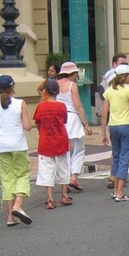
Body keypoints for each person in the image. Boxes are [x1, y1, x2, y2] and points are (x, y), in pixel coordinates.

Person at [0, 75, 33, 226]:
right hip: (18, 145)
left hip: (2, 147)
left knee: (7, 179)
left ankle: (10, 217)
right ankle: (18, 205)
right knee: (23, 175)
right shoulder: (20, 103)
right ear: (12, 87)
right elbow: (28, 126)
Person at [101, 64, 129, 202]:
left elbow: (104, 113)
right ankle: (120, 192)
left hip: (113, 126)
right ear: (126, 77)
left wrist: (103, 133)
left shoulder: (109, 91)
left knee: (116, 157)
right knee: (125, 157)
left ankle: (115, 190)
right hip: (125, 126)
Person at [34, 80, 72, 209]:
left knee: (46, 169)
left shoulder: (41, 106)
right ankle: (64, 195)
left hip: (46, 140)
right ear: (58, 92)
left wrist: (42, 133)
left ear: (45, 91)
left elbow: (38, 123)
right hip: (61, 139)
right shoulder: (62, 106)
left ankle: (50, 199)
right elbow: (64, 121)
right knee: (64, 167)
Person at [56, 61, 92, 191]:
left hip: (59, 119)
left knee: (63, 151)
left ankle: (63, 180)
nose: (77, 75)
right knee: (78, 149)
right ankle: (74, 177)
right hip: (71, 117)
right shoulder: (72, 85)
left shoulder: (55, 84)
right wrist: (86, 124)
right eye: (76, 73)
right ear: (72, 73)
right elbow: (78, 105)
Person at [97, 53, 127, 190]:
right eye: (122, 64)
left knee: (117, 151)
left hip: (119, 120)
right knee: (120, 151)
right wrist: (103, 130)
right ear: (114, 64)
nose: (125, 66)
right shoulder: (110, 78)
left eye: (126, 64)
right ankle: (115, 178)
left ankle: (114, 177)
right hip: (115, 119)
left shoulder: (124, 79)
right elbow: (104, 101)